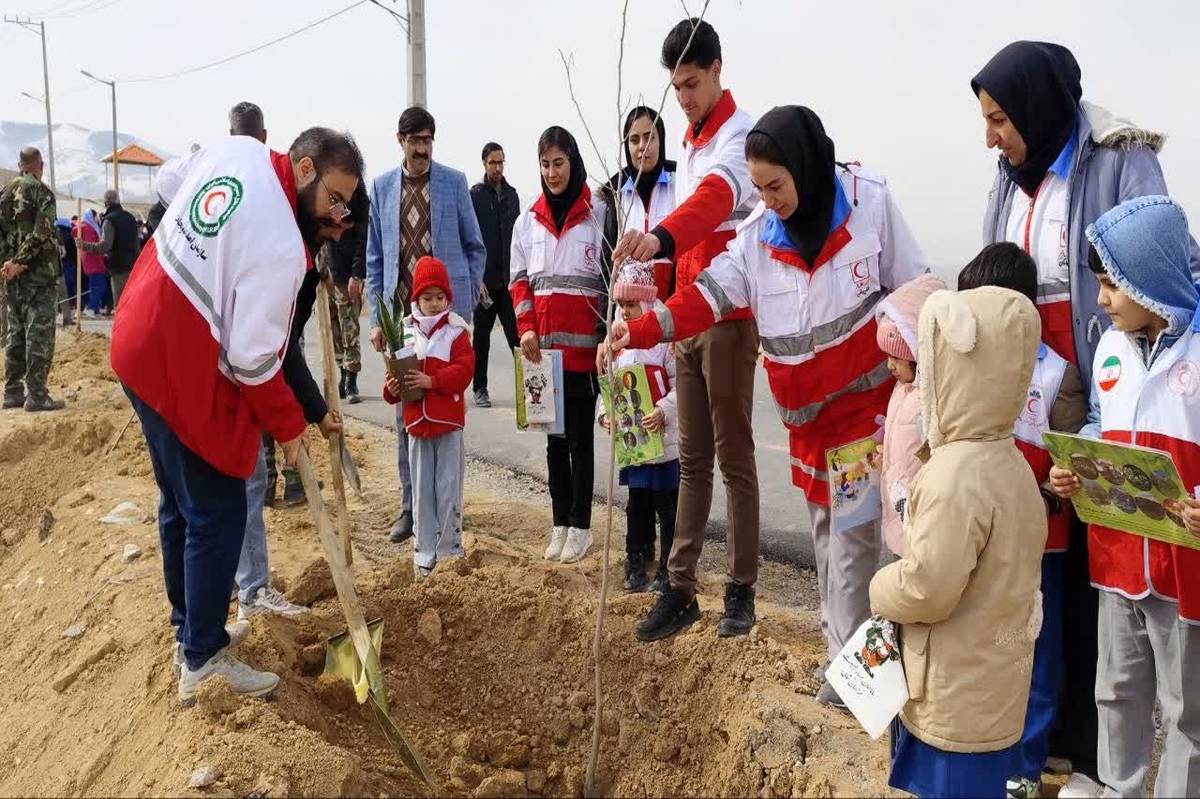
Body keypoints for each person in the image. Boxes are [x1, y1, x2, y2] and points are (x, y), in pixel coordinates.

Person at [610, 106, 929, 682]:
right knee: (827, 538)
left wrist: (911, 367)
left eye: (775, 185)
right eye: (757, 187)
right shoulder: (758, 238)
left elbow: (914, 285)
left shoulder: (868, 203)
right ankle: (849, 668)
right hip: (807, 429)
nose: (767, 198)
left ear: (806, 168)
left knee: (851, 551)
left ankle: (850, 679)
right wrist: (639, 327)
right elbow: (705, 297)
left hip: (861, 421)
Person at [972, 42, 1200, 794]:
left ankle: (1092, 755)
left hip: (1112, 379)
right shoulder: (1009, 180)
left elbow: (1153, 245)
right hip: (1040, 393)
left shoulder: (1116, 158)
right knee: (1048, 561)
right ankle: (1066, 743)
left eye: (1001, 119)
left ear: (1036, 108)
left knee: (1099, 567)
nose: (992, 137)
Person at [110, 127, 364, 705]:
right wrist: (289, 428)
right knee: (218, 508)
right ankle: (202, 659)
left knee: (179, 503)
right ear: (304, 170)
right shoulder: (280, 246)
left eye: (346, 208)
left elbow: (173, 180)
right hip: (177, 361)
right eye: (334, 200)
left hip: (137, 336)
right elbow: (253, 360)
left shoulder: (238, 151)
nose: (339, 218)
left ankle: (190, 632)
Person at [609, 18, 762, 641]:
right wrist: (642, 293)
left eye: (692, 84)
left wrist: (660, 235)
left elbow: (715, 206)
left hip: (728, 315)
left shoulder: (737, 135)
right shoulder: (695, 141)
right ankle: (680, 587)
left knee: (734, 458)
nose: (684, 98)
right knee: (692, 459)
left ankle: (741, 591)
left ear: (718, 70)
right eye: (676, 87)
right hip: (686, 315)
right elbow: (681, 246)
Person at [1048, 196, 1200, 799]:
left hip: (1184, 568)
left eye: (1112, 285)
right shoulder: (1111, 348)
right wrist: (1075, 464)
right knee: (1116, 689)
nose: (1103, 299)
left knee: (1187, 708)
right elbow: (1097, 424)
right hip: (1117, 560)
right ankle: (1118, 789)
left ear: (1152, 281)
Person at [870, 286, 1047, 799]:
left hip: (953, 697)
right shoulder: (1011, 461)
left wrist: (882, 588)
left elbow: (929, 586)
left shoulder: (955, 474)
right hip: (994, 691)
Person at [956, 242, 1087, 799]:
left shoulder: (1058, 376)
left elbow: (1072, 459)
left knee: (1034, 651)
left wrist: (1047, 488)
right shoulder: (965, 367)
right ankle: (975, 750)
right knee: (981, 648)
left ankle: (1025, 766)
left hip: (1041, 547)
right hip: (980, 544)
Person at [366, 106, 486, 544]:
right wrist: (381, 318)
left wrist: (465, 304)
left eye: (427, 140)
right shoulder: (380, 188)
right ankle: (411, 510)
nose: (421, 148)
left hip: (447, 316)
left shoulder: (453, 183)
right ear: (399, 140)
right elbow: (376, 256)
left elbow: (475, 246)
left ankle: (450, 514)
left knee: (448, 412)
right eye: (414, 140)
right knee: (406, 414)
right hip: (403, 322)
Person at [511, 125, 606, 564]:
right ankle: (560, 523)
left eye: (559, 163)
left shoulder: (599, 214)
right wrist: (526, 327)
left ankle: (582, 527)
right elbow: (519, 281)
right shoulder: (527, 221)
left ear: (573, 162)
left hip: (585, 355)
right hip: (541, 356)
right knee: (553, 443)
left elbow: (608, 279)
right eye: (545, 165)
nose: (552, 173)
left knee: (580, 444)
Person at [383, 256, 474, 579]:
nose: (434, 304)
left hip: (447, 422)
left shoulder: (456, 331)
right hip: (417, 425)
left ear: (448, 298)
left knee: (448, 485)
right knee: (421, 489)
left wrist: (432, 381)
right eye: (427, 298)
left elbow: (464, 370)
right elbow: (393, 380)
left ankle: (450, 549)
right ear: (416, 299)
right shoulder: (404, 332)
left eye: (440, 297)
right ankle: (424, 552)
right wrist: (392, 387)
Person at [597, 261, 678, 593]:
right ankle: (635, 555)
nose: (627, 311)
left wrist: (663, 410)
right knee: (637, 502)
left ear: (646, 302)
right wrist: (605, 413)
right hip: (634, 443)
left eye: (633, 304)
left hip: (664, 441)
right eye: (623, 304)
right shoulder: (615, 339)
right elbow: (609, 382)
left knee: (667, 503)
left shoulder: (664, 338)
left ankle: (669, 565)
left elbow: (682, 383)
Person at [874, 274, 946, 559]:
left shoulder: (932, 396)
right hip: (898, 515)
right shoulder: (901, 389)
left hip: (922, 519)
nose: (889, 365)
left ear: (917, 352)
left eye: (896, 357)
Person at [0, 147, 66, 412]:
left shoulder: (4, 194)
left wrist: (8, 265)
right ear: (40, 165)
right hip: (38, 276)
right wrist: (20, 262)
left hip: (12, 277)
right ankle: (37, 394)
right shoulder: (42, 193)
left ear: (20, 165)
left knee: (15, 333)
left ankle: (12, 391)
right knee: (38, 333)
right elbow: (41, 233)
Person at [601, 107, 678, 302]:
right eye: (634, 140)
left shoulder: (680, 184)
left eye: (649, 137)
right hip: (629, 319)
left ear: (661, 140)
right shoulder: (615, 194)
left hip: (675, 313)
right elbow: (606, 265)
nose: (642, 146)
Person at [469, 142, 521, 408]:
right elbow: (469, 238)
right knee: (481, 340)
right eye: (493, 163)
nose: (497, 167)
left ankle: (528, 389)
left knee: (518, 339)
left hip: (509, 282)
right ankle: (480, 389)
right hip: (484, 283)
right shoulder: (475, 196)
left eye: (501, 162)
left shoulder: (512, 196)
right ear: (484, 164)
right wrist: (474, 278)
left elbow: (519, 239)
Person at [319, 184, 368, 405]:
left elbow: (363, 239)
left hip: (347, 274)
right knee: (333, 327)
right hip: (325, 271)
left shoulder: (358, 196)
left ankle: (351, 378)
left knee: (350, 327)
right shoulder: (322, 189)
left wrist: (357, 275)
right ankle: (341, 372)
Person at [77, 189, 140, 309]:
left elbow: (104, 246)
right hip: (135, 266)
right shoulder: (130, 217)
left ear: (106, 203)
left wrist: (83, 245)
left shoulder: (109, 220)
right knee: (133, 305)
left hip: (119, 268)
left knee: (121, 306)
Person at [79, 210, 107, 316]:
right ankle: (91, 307)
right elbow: (93, 245)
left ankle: (94, 308)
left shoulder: (87, 227)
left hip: (91, 261)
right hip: (94, 261)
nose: (98, 219)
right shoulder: (89, 228)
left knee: (94, 286)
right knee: (99, 286)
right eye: (96, 216)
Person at [56, 217, 76, 327]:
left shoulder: (52, 231)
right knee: (64, 294)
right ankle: (67, 319)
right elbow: (63, 253)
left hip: (48, 269)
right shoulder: (65, 235)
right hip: (62, 267)